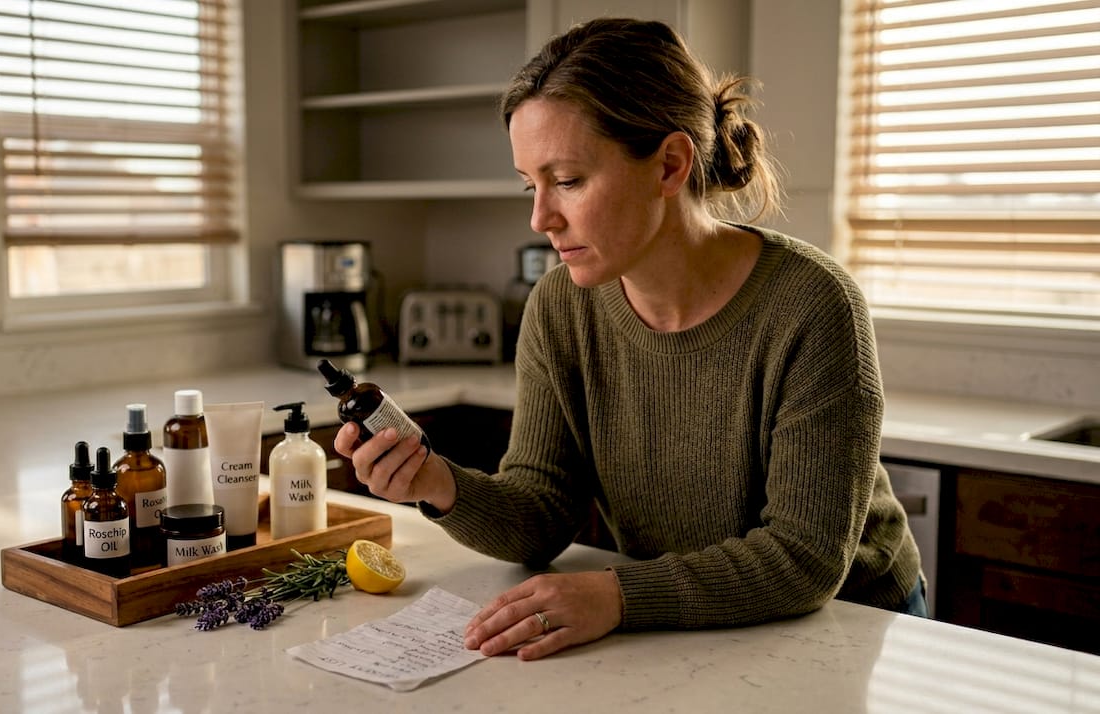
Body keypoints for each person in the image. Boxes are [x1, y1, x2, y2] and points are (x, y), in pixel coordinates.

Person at [332, 17, 924, 661]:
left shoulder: (812, 304)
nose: (540, 218)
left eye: (568, 181)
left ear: (669, 165)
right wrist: (436, 482)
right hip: (686, 623)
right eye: (530, 185)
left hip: (850, 628)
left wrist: (617, 596)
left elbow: (804, 558)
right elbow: (541, 508)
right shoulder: (560, 307)